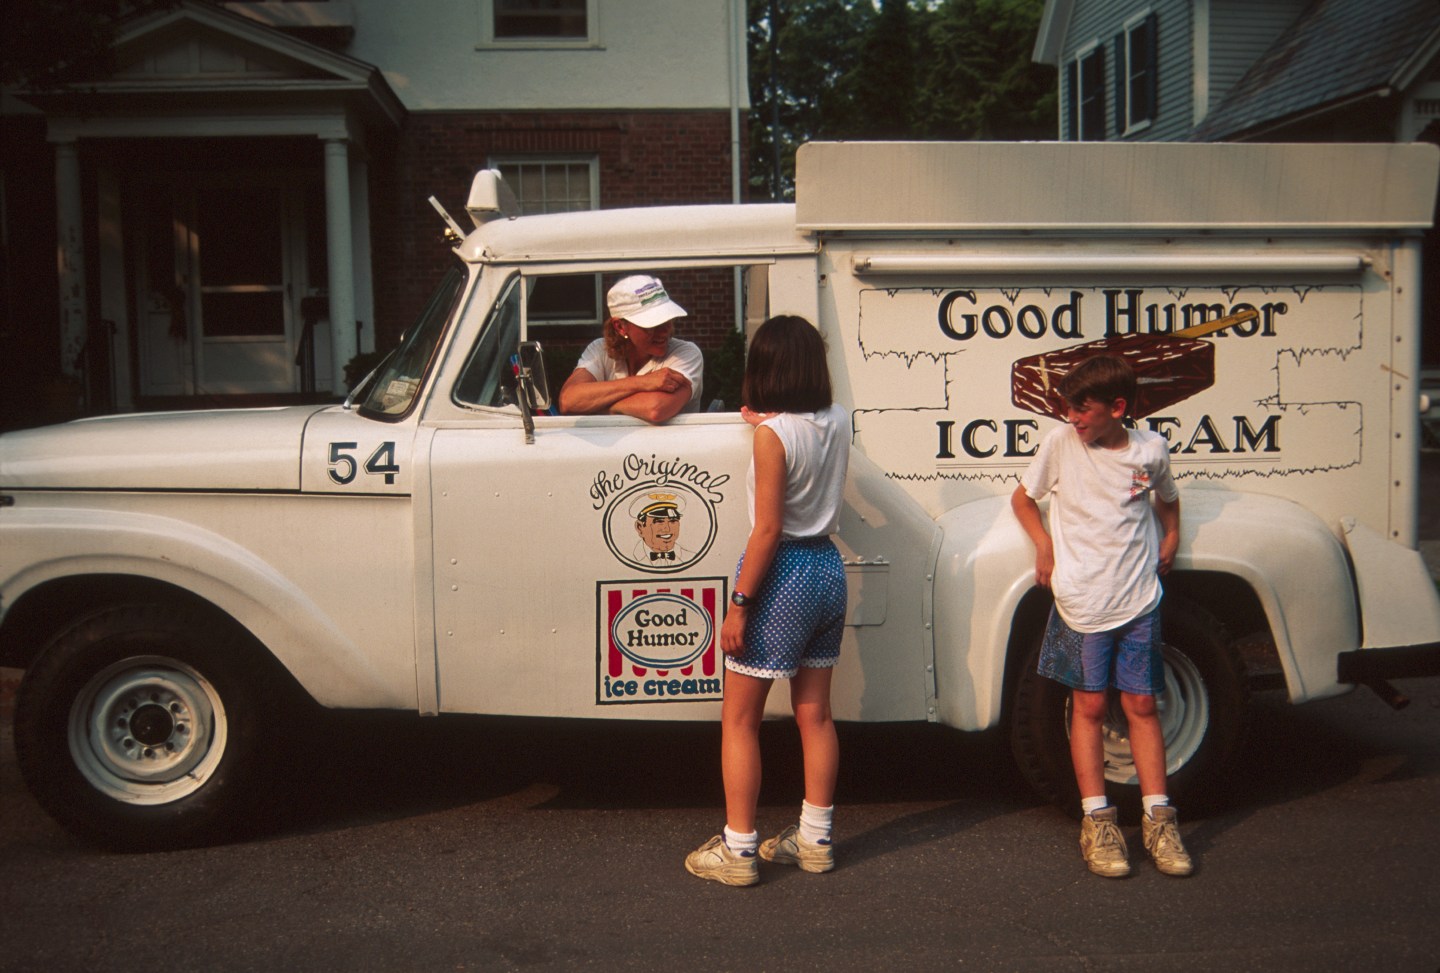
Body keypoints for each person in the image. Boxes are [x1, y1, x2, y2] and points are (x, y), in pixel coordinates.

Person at [1010, 354, 1192, 879]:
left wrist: (1172, 534)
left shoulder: (1150, 451)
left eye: (1082, 410)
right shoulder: (1060, 445)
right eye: (1069, 410)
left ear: (1118, 407)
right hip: (1081, 602)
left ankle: (1160, 819)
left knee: (1141, 703)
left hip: (1137, 600)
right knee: (1087, 707)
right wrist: (1043, 546)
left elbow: (1168, 499)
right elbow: (1024, 499)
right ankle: (1099, 821)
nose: (1073, 419)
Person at [684, 314, 850, 887]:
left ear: (766, 368)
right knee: (816, 715)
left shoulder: (772, 435)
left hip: (781, 576)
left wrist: (738, 603)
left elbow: (767, 529)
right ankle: (816, 839)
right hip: (828, 568)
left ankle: (738, 851)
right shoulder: (837, 421)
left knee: (740, 720)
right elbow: (804, 434)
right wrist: (766, 424)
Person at [557, 274, 703, 423]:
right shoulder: (600, 349)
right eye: (653, 325)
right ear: (620, 327)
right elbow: (568, 400)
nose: (665, 331)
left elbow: (656, 409)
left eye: (668, 320)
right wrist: (643, 382)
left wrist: (599, 405)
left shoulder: (686, 354)